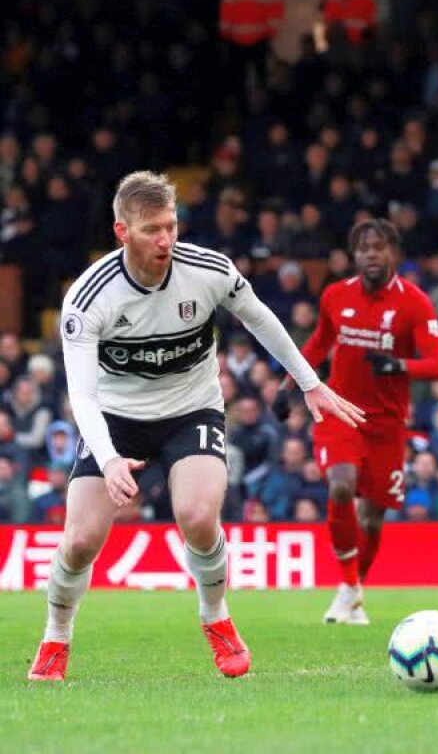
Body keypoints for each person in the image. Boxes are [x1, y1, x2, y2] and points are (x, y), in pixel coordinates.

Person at [28, 171, 364, 682]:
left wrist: (310, 382)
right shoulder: (88, 297)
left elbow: (261, 318)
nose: (166, 239)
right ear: (123, 232)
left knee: (198, 516)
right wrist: (110, 456)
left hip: (192, 409)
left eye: (171, 225)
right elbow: (83, 394)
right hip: (115, 419)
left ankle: (217, 619)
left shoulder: (208, 270)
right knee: (79, 541)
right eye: (152, 230)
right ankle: (56, 638)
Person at [297, 218, 438, 625]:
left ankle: (352, 591)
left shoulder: (414, 302)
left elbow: (437, 364)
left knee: (373, 518)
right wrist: (288, 384)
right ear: (354, 255)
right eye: (363, 248)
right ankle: (348, 585)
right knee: (341, 486)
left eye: (379, 247)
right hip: (341, 411)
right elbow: (319, 343)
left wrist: (398, 365)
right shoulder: (335, 295)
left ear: (393, 253)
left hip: (387, 422)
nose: (371, 255)